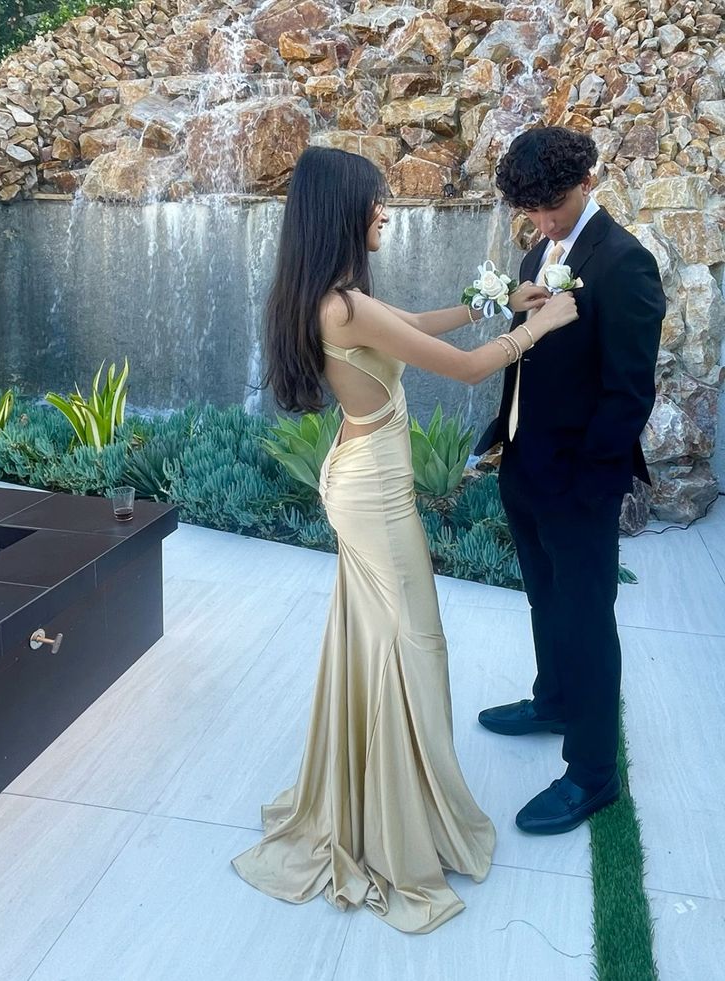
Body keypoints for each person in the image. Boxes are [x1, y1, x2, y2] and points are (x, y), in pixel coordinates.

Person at [232, 146, 577, 933]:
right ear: (343, 212)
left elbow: (414, 329)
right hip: (372, 496)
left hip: (360, 479)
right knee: (412, 644)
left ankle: (377, 795)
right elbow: (464, 370)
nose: (386, 211)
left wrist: (491, 301)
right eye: (376, 200)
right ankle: (396, 822)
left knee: (378, 640)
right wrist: (538, 324)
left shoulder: (334, 296)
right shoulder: (342, 305)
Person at [476, 126, 665, 835]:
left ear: (588, 181)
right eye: (531, 210)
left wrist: (588, 489)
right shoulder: (537, 253)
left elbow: (628, 393)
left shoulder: (624, 263)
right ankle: (553, 698)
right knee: (543, 599)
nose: (543, 222)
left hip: (579, 484)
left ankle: (593, 771)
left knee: (587, 619)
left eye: (552, 206)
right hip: (525, 464)